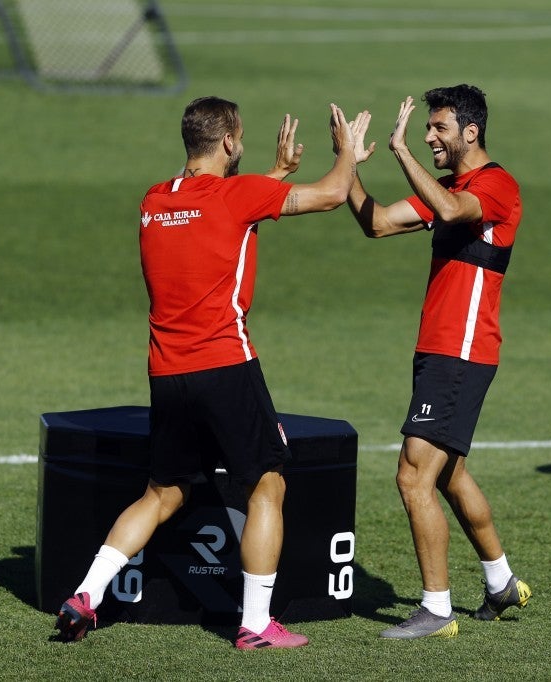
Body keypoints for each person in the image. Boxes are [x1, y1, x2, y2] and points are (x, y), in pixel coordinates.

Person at [53, 96, 373, 649]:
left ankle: (87, 593)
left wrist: (273, 175)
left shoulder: (154, 201)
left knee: (162, 494)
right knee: (267, 485)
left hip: (166, 373)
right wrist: (347, 154)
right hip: (227, 364)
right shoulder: (237, 196)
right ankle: (254, 624)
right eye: (240, 137)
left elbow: (215, 213)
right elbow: (333, 194)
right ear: (229, 142)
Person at [345, 84, 530, 639]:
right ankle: (500, 582)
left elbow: (452, 209)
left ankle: (437, 609)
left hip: (463, 349)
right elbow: (376, 223)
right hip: (439, 348)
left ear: (471, 132)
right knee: (448, 473)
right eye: (425, 130)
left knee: (412, 475)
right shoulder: (450, 186)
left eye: (438, 129)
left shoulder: (494, 185)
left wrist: (400, 151)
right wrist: (348, 166)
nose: (428, 138)